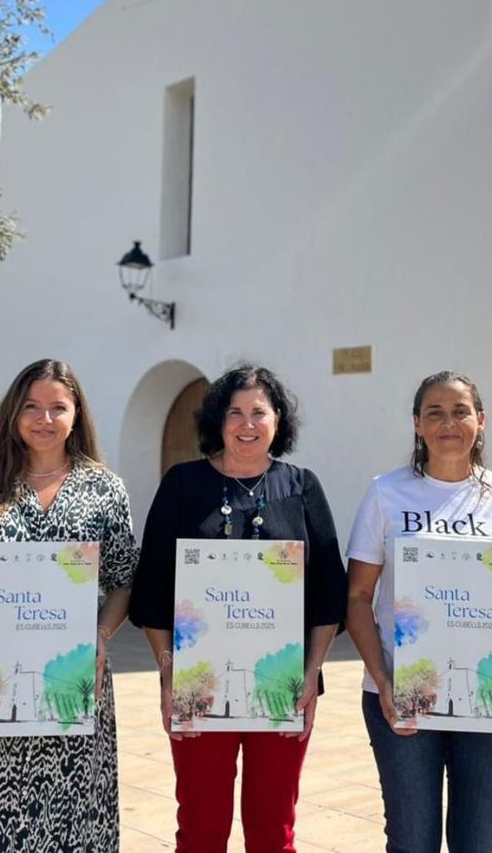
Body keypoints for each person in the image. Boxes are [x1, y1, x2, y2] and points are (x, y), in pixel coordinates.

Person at [0, 358, 138, 853]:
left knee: (69, 828)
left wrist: (99, 636)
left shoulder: (105, 489)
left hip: (73, 692)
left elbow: (124, 582)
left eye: (58, 406)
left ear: (77, 414)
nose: (45, 418)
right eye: (32, 406)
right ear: (13, 413)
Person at [129, 364, 347, 853]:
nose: (247, 424)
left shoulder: (302, 486)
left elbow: (329, 593)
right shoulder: (182, 484)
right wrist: (169, 675)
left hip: (285, 687)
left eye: (259, 413)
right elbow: (153, 591)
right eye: (235, 413)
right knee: (201, 829)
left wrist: (311, 674)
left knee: (273, 830)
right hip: (198, 688)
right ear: (217, 420)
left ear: (277, 422)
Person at [346, 370, 492, 853]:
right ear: (417, 424)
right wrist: (384, 680)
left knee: (480, 841)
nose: (448, 422)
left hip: (489, 697)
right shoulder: (385, 493)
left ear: (481, 420)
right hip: (401, 696)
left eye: (460, 411)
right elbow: (357, 598)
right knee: (412, 841)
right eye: (434, 412)